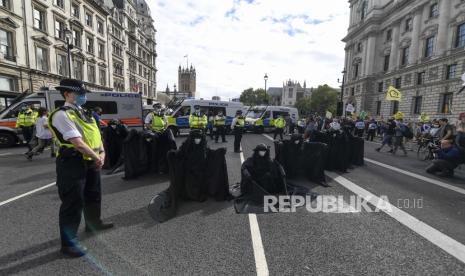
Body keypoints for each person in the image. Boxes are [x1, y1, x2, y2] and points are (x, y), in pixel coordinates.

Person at [48, 79, 113, 258]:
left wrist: (102, 153)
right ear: (67, 94)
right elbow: (77, 142)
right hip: (73, 162)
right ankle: (68, 244)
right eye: (80, 94)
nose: (84, 97)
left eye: (84, 94)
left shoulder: (85, 112)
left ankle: (94, 223)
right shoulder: (62, 115)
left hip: (92, 161)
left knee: (93, 194)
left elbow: (96, 135)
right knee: (73, 202)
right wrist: (96, 158)